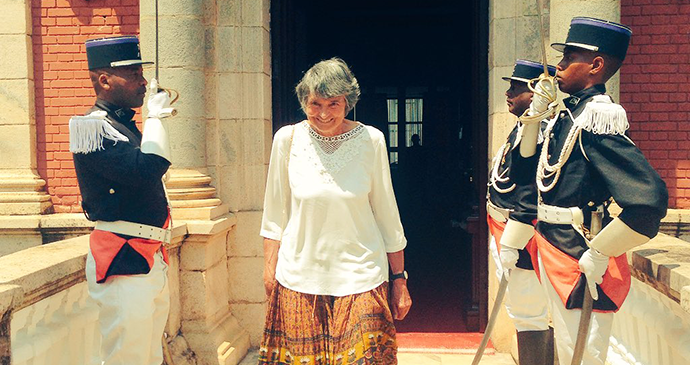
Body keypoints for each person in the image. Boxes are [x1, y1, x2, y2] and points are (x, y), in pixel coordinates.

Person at [511, 17, 668, 365]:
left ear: (596, 65)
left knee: (582, 357)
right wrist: (534, 117)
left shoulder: (597, 119)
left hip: (578, 256)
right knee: (568, 353)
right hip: (551, 245)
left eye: (569, 57)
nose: (559, 66)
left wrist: (600, 252)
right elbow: (524, 171)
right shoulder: (565, 116)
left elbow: (649, 200)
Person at [259, 57, 411, 365]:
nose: (324, 114)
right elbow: (275, 214)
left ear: (348, 102)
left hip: (362, 275)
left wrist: (399, 279)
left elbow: (386, 214)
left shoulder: (372, 140)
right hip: (299, 277)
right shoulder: (287, 140)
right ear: (304, 101)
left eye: (334, 103)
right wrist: (268, 268)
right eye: (315, 104)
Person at [70, 35, 175, 365]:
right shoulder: (90, 128)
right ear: (104, 80)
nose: (143, 82)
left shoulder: (122, 126)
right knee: (126, 358)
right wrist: (155, 118)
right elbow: (149, 169)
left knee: (150, 355)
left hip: (148, 255)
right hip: (123, 258)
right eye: (132, 74)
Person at [487, 59, 556, 365]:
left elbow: (531, 191)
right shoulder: (523, 130)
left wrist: (513, 241)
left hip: (522, 235)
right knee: (522, 310)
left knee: (530, 313)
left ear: (534, 92)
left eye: (515, 86)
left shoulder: (540, 134)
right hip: (502, 227)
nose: (508, 92)